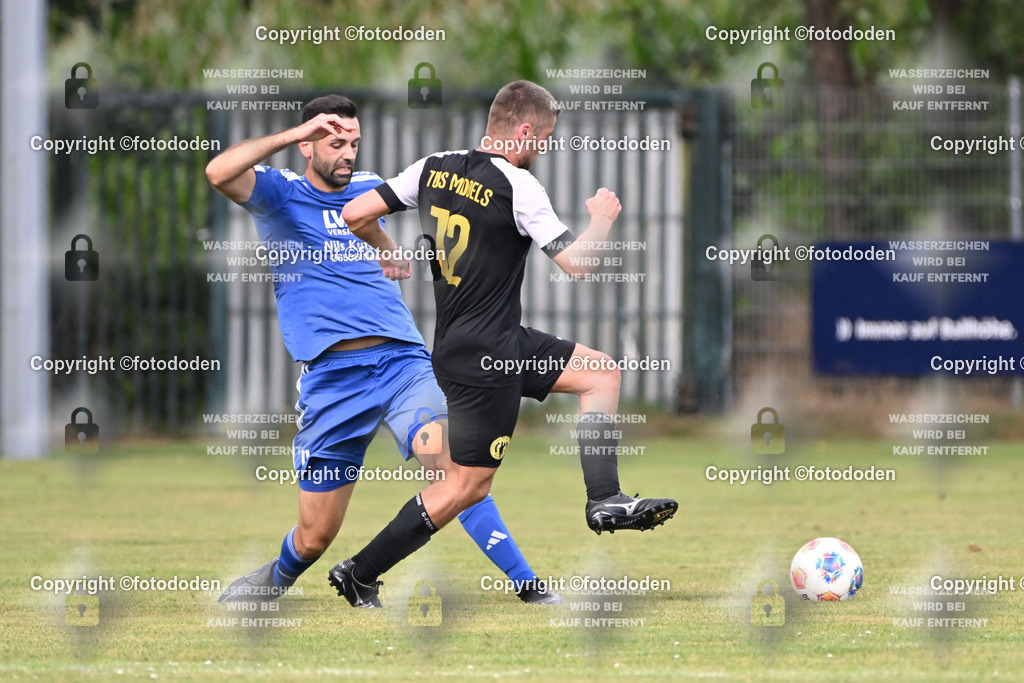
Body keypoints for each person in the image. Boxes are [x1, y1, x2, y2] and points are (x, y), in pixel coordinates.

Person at [205, 94, 562, 606]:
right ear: (308, 145)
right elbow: (219, 172)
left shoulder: (374, 189)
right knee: (314, 537)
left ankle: (528, 586)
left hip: (401, 365)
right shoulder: (279, 193)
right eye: (334, 142)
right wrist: (289, 135)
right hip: (330, 378)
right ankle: (275, 582)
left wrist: (394, 252)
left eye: (353, 141)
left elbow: (431, 217)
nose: (347, 152)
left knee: (456, 473)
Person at [334, 80, 676, 607]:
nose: (542, 148)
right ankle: (360, 571)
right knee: (465, 488)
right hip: (485, 359)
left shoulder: (430, 167)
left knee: (600, 372)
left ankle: (605, 498)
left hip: (481, 343)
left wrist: (386, 248)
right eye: (543, 139)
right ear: (523, 131)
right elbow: (577, 263)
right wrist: (603, 220)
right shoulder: (518, 185)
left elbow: (355, 213)